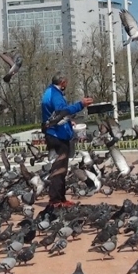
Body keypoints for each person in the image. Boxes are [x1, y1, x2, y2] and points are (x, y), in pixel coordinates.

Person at [40, 74, 93, 213]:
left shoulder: (49, 92)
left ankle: (60, 198)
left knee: (61, 168)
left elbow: (56, 116)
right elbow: (62, 112)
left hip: (53, 133)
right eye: (66, 82)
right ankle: (56, 201)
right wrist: (81, 104)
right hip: (57, 136)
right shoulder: (56, 95)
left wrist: (69, 122)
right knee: (59, 169)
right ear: (63, 82)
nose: (67, 84)